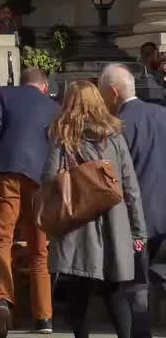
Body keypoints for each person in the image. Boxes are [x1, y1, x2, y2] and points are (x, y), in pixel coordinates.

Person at [43, 80, 146, 338]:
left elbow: (48, 179)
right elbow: (130, 186)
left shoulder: (62, 136)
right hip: (114, 221)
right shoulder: (114, 135)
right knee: (115, 294)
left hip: (78, 225)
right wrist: (138, 232)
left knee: (77, 297)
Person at [0, 65, 58, 337]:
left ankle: (3, 300)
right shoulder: (53, 106)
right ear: (45, 86)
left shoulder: (2, 94)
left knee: (1, 241)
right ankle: (44, 318)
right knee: (39, 249)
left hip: (5, 172)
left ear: (22, 82)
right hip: (39, 178)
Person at [98, 64, 166, 338]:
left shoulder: (117, 128)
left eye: (103, 95)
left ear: (113, 93)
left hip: (137, 220)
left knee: (137, 288)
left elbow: (114, 180)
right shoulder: (163, 114)